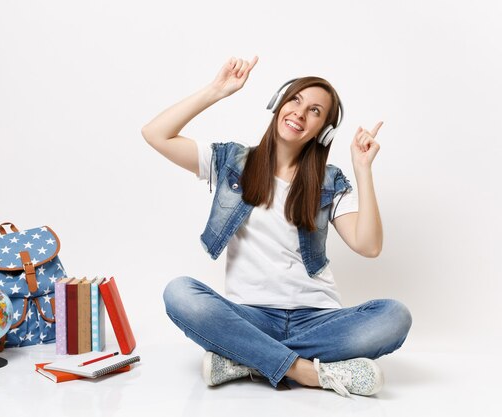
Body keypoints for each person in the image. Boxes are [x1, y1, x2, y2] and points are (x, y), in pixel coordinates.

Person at [141, 56, 411, 397]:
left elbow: (368, 245)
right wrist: (217, 90)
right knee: (179, 293)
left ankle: (247, 359)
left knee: (394, 316)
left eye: (315, 111)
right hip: (251, 317)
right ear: (279, 105)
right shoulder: (231, 162)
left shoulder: (328, 181)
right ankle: (307, 371)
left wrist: (363, 168)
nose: (300, 112)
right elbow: (155, 134)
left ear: (323, 131)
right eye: (295, 100)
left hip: (317, 319)